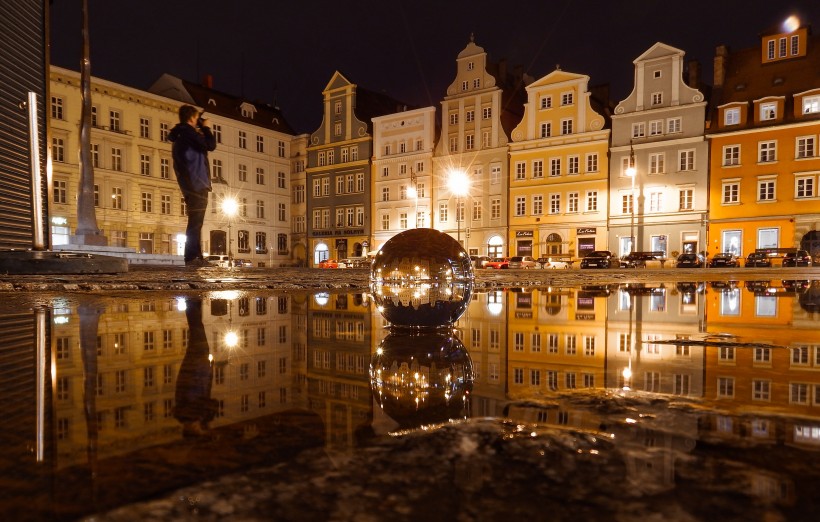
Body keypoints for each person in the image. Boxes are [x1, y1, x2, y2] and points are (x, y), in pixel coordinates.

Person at [168, 105, 217, 267]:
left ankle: (196, 257)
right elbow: (210, 145)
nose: (198, 122)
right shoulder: (188, 133)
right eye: (196, 118)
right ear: (191, 118)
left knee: (196, 221)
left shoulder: (182, 134)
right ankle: (191, 257)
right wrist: (207, 128)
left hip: (190, 182)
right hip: (197, 182)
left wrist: (198, 128)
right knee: (196, 222)